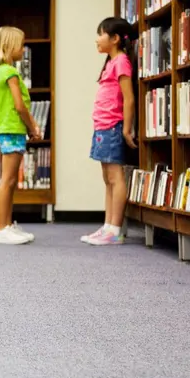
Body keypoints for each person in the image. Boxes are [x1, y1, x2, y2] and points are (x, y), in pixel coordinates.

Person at [81, 17, 137, 246]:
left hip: (113, 126)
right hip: (102, 126)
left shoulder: (121, 61)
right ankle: (107, 226)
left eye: (100, 34)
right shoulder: (110, 62)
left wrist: (125, 129)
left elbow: (129, 98)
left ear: (114, 39)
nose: (97, 39)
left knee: (115, 177)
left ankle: (115, 229)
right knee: (107, 178)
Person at [0, 26, 41, 245]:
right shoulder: (10, 72)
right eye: (21, 43)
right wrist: (33, 126)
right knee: (8, 180)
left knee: (9, 181)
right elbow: (20, 106)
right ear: (10, 47)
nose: (24, 48)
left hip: (9, 128)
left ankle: (7, 225)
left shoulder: (3, 70)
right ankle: (1, 229)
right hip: (12, 128)